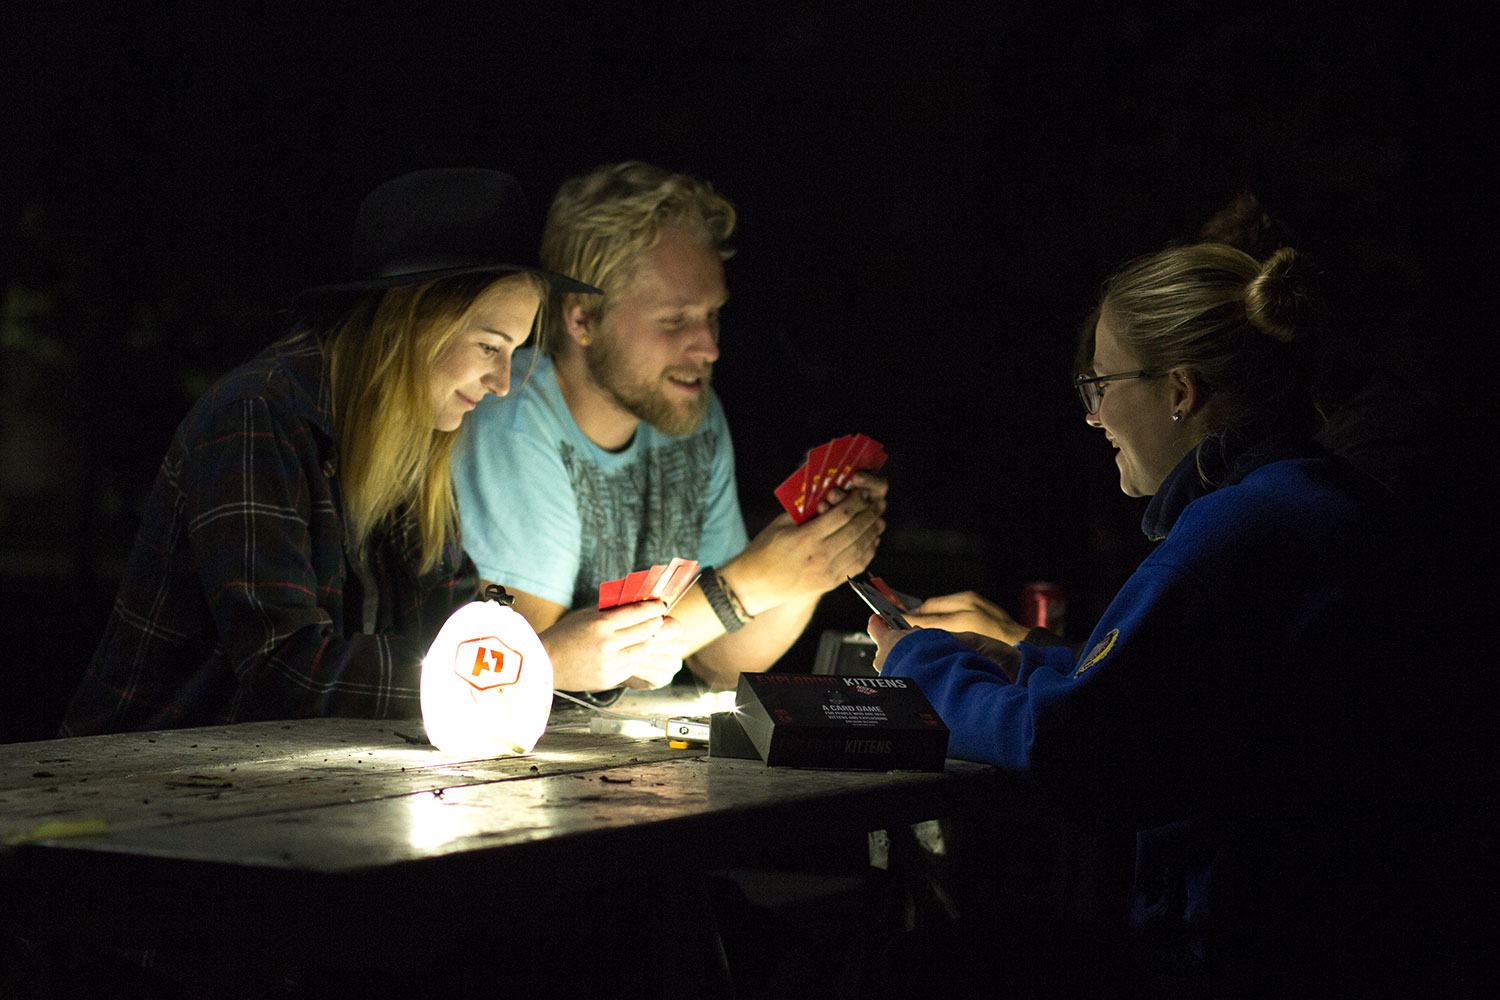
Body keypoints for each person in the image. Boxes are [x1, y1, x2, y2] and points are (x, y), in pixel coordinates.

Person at [868, 243, 1472, 997]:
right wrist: (1029, 665)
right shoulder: (1338, 501)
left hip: (1241, 960)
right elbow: (1189, 696)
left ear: (1179, 389)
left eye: (1100, 384)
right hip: (1379, 944)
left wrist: (918, 665)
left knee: (915, 969)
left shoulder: (1231, 534)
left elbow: (1068, 747)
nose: (1091, 416)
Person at [60, 168, 600, 735]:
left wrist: (571, 660)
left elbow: (451, 622)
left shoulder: (411, 446)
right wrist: (539, 661)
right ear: (411, 325)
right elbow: (289, 672)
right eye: (490, 346)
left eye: (514, 351)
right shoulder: (256, 416)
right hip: (131, 787)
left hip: (281, 787)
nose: (502, 383)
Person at [454, 161, 886, 698]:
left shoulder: (691, 413)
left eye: (712, 316)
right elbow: (524, 666)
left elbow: (722, 661)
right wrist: (752, 579)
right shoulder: (512, 412)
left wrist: (811, 563)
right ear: (582, 316)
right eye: (675, 319)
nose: (708, 348)